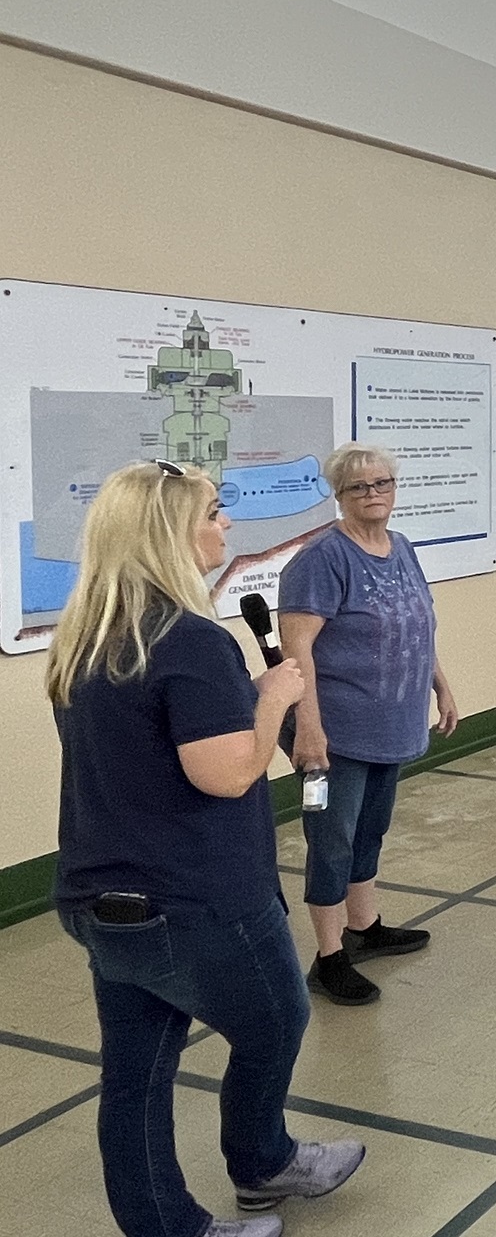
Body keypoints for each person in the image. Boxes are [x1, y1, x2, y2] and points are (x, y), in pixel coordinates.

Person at [47, 460, 364, 1237]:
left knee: (136, 1071)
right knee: (276, 1023)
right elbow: (228, 775)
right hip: (196, 899)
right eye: (215, 514)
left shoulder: (84, 637)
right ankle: (262, 1163)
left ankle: (166, 1224)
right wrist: (274, 700)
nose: (226, 528)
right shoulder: (187, 641)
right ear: (170, 532)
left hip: (99, 897)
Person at [279, 443, 459, 1006]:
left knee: (369, 831)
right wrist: (308, 730)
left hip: (392, 725)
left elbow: (418, 624)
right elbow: (296, 650)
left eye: (382, 484)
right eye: (359, 488)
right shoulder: (321, 559)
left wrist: (440, 684)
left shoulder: (401, 548)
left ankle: (366, 926)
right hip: (336, 733)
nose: (374, 494)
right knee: (331, 841)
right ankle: (330, 956)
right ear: (340, 496)